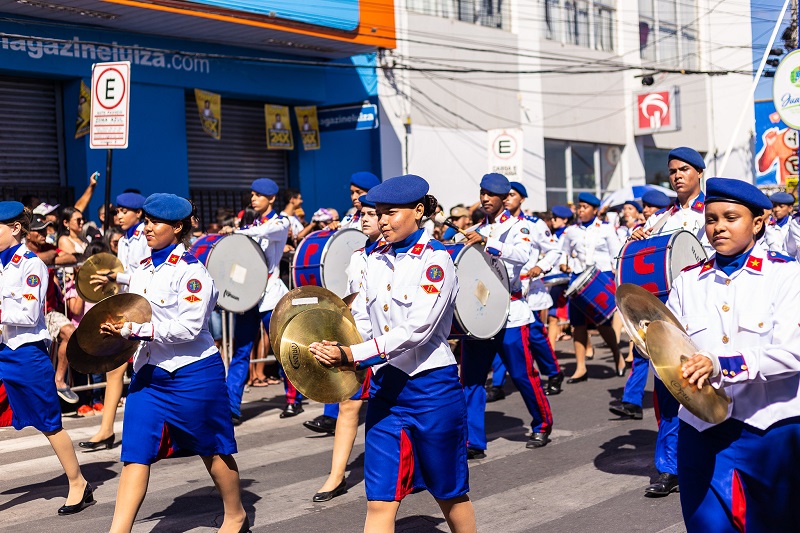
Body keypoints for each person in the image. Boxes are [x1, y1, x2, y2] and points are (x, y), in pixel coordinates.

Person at [309, 174, 476, 533]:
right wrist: (331, 346)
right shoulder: (373, 259)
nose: (382, 221)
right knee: (380, 498)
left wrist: (354, 354)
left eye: (391, 213)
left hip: (432, 388)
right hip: (387, 389)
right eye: (378, 213)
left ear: (418, 211)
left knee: (448, 492)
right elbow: (365, 321)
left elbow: (416, 330)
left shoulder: (437, 261)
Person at [100, 193, 248, 533]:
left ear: (177, 227)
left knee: (212, 449)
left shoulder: (193, 273)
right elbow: (133, 309)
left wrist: (136, 330)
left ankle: (236, 515)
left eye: (154, 223)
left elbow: (189, 327)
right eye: (146, 221)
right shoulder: (142, 269)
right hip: (149, 375)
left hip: (192, 373)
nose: (147, 228)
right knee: (135, 454)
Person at [668, 178, 800, 530]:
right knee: (705, 525)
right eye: (711, 219)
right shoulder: (686, 281)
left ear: (758, 223)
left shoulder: (786, 275)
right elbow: (671, 350)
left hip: (770, 429)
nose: (718, 227)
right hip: (700, 429)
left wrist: (721, 364)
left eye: (730, 217)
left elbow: (793, 353)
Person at [0, 202, 93, 515]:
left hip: (24, 351)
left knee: (49, 422)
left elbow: (28, 313)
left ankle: (78, 482)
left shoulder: (31, 264)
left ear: (14, 229)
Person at [626, 146, 708, 497]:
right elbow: (643, 266)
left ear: (699, 173)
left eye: (684, 169)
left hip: (704, 313)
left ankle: (710, 456)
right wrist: (636, 240)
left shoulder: (714, 212)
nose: (677, 176)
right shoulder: (661, 219)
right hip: (668, 316)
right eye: (672, 170)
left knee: (708, 391)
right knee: (668, 392)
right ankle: (669, 467)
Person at [461, 173, 554, 458]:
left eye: (491, 194)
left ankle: (542, 423)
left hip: (512, 311)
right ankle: (473, 440)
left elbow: (523, 254)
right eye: (482, 193)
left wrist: (487, 241)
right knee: (472, 379)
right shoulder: (475, 228)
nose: (485, 199)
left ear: (503, 198)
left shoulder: (519, 226)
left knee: (523, 374)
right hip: (479, 313)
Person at [309, 194, 384, 500]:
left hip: (392, 345)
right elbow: (353, 300)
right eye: (361, 213)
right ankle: (336, 476)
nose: (364, 219)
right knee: (348, 406)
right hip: (359, 342)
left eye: (371, 213)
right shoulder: (357, 255)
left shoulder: (399, 255)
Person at [224, 178, 296, 421]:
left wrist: (236, 231)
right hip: (248, 295)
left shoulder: (280, 222)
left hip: (270, 294)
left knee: (281, 348)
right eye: (252, 194)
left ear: (272, 199)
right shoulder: (250, 223)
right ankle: (232, 406)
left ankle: (292, 399)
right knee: (241, 351)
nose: (252, 198)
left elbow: (264, 232)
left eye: (258, 195)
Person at [82, 192, 149, 450]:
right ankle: (106, 430)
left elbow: (143, 276)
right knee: (114, 368)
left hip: (145, 310)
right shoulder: (124, 241)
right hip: (125, 308)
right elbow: (124, 275)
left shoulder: (145, 237)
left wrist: (115, 277)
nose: (119, 215)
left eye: (124, 211)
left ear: (139, 214)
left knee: (147, 370)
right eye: (117, 211)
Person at [559, 192, 625, 382]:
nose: (581, 210)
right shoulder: (571, 231)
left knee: (602, 323)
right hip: (578, 278)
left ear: (595, 210)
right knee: (577, 325)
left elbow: (616, 255)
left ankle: (616, 355)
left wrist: (616, 280)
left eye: (585, 207)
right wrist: (565, 265)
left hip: (600, 277)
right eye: (580, 207)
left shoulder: (606, 229)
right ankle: (580, 368)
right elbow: (563, 252)